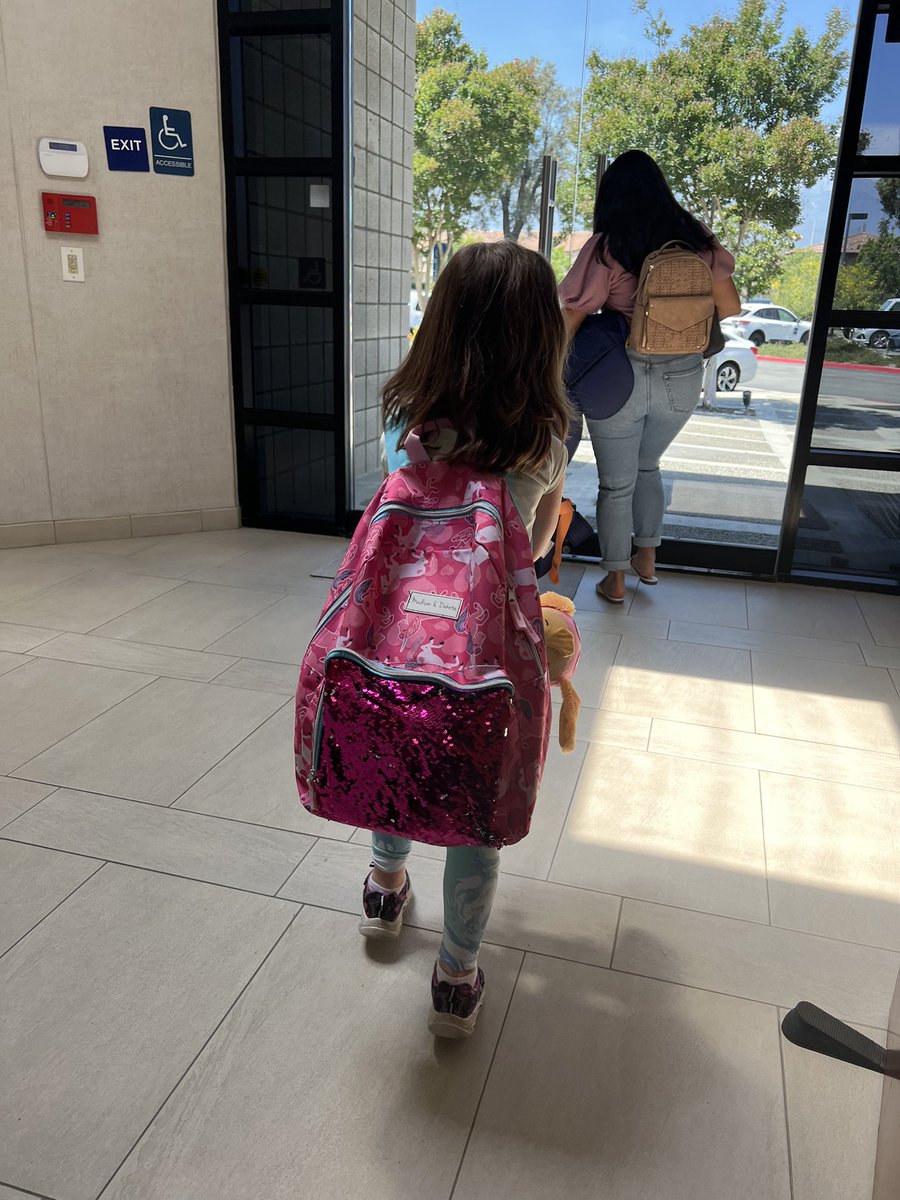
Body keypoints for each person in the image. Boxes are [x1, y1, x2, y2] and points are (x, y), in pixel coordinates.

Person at [365, 240, 570, 1037]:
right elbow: (539, 548)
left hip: (398, 639)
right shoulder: (542, 448)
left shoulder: (406, 427)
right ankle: (455, 976)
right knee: (472, 811)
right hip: (482, 665)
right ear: (538, 340)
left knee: (396, 754)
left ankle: (384, 886)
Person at [560, 150, 740, 603]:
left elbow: (573, 314)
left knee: (616, 483)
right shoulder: (695, 239)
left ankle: (615, 580)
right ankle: (648, 559)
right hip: (682, 375)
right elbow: (731, 307)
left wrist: (553, 366)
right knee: (649, 466)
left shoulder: (608, 244)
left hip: (618, 374)